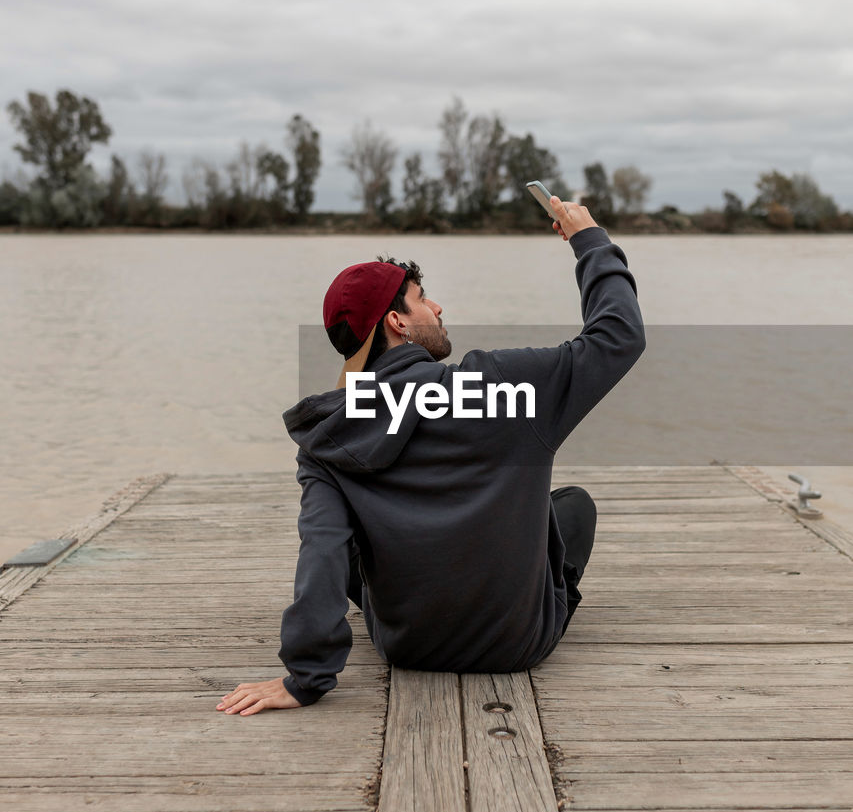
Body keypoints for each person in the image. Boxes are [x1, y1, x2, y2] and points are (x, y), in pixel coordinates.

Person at [217, 195, 645, 715]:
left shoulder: (329, 434)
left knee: (345, 531)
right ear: (397, 321)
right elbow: (617, 336)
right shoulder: (504, 385)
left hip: (406, 646)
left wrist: (305, 677)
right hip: (516, 646)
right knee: (571, 506)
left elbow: (322, 550)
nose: (436, 308)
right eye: (423, 299)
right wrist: (589, 240)